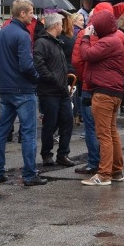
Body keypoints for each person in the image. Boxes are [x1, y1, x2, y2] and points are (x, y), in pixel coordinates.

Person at [0, 0, 45, 186]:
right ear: (22, 13)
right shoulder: (22, 35)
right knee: (29, 133)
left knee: (2, 132)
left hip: (6, 89)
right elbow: (25, 65)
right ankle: (30, 174)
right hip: (23, 89)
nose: (33, 16)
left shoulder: (2, 34)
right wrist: (37, 78)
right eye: (30, 12)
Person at [78, 10, 124, 186]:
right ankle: (116, 171)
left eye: (96, 25)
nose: (94, 29)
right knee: (112, 132)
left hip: (104, 92)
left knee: (104, 134)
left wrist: (85, 37)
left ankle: (104, 174)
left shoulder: (109, 41)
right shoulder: (115, 38)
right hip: (113, 91)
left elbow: (87, 54)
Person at [71, 2, 114, 176]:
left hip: (90, 87)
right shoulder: (117, 36)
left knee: (91, 127)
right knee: (109, 129)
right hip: (110, 88)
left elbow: (77, 61)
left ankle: (94, 163)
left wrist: (86, 77)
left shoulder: (84, 34)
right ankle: (110, 165)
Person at [34, 13, 76, 168]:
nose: (61, 27)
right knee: (50, 124)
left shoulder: (57, 42)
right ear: (55, 26)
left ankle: (63, 154)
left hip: (61, 90)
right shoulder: (42, 43)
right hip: (49, 91)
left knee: (67, 121)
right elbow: (40, 65)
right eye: (60, 24)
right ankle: (47, 154)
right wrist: (54, 79)